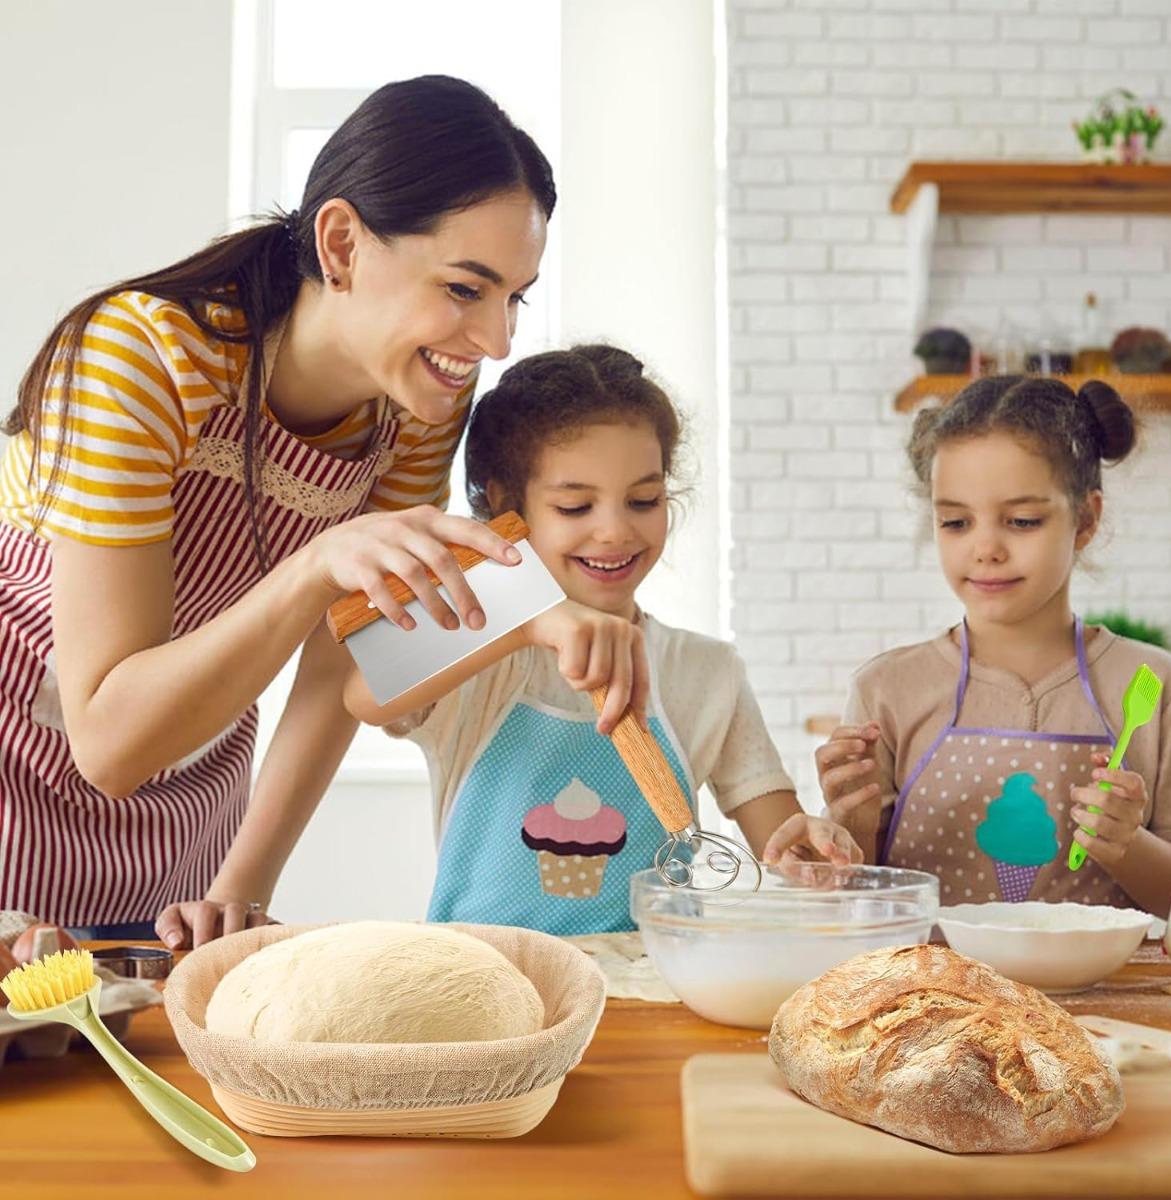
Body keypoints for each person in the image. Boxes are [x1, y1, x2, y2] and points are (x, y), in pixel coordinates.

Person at [0, 76, 621, 938]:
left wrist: (236, 889)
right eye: (464, 289)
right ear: (341, 244)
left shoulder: (415, 408)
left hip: (190, 799)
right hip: (20, 769)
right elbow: (107, 741)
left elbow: (342, 667)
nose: (497, 342)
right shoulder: (140, 357)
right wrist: (313, 568)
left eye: (513, 297)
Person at [164, 345, 859, 943]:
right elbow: (364, 696)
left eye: (643, 501)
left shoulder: (707, 671)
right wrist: (525, 620)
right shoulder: (481, 655)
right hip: (482, 984)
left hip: (649, 987)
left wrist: (810, 844)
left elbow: (778, 838)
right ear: (506, 507)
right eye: (576, 506)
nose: (615, 531)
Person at [815, 376, 1171, 919]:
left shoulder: (1155, 685)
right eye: (955, 522)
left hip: (1106, 1002)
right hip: (936, 996)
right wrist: (848, 824)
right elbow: (860, 901)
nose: (986, 548)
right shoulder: (887, 690)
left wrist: (1127, 845)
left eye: (1021, 521)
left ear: (1086, 519)